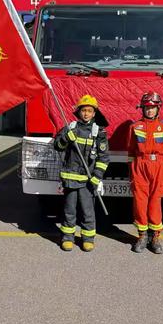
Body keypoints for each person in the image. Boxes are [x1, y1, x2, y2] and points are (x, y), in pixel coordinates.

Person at [54, 95, 110, 252]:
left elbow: (104, 158)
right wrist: (65, 138)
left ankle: (88, 239)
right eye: (83, 110)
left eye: (89, 111)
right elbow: (57, 146)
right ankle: (67, 238)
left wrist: (97, 176)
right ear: (78, 112)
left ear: (94, 113)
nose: (86, 114)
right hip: (71, 179)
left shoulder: (99, 132)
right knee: (69, 210)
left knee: (88, 211)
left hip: (88, 181)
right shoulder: (70, 127)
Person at [128, 92, 163, 254]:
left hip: (158, 166)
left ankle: (155, 238)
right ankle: (141, 236)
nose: (150, 111)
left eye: (153, 108)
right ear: (143, 109)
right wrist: (133, 169)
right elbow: (131, 150)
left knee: (155, 202)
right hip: (140, 165)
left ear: (158, 109)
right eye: (147, 108)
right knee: (140, 202)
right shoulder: (134, 127)